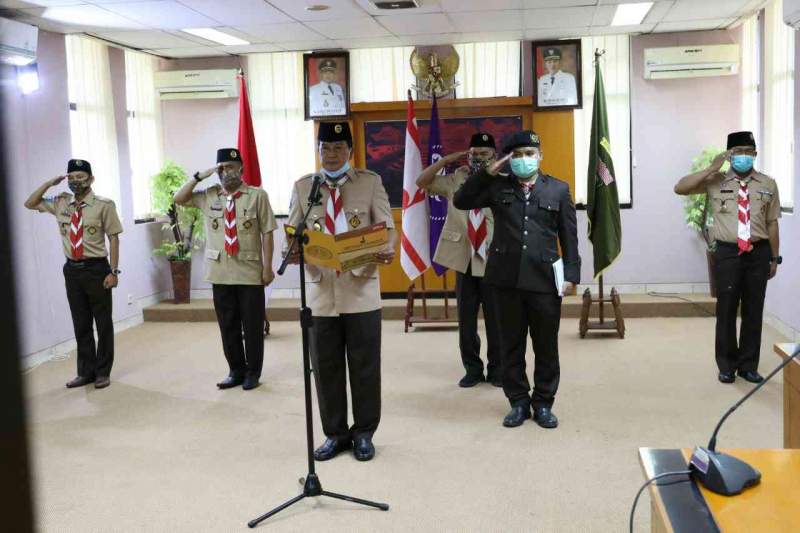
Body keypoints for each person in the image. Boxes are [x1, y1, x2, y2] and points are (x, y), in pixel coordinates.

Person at [454, 130, 580, 429]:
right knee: (510, 345)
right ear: (509, 159)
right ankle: (519, 402)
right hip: (504, 279)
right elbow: (462, 200)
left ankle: (544, 403)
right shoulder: (497, 185)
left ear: (540, 156)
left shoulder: (558, 189)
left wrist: (572, 275)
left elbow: (569, 236)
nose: (524, 159)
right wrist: (488, 172)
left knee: (546, 346)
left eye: (529, 154)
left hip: (544, 280)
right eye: (518, 155)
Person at [286, 121, 396, 462]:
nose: (331, 154)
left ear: (350, 150)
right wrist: (292, 249)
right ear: (318, 150)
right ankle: (335, 434)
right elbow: (293, 231)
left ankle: (364, 433)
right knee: (325, 368)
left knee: (365, 367)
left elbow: (387, 228)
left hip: (361, 288)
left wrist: (387, 248)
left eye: (338, 148)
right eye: (325, 148)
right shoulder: (304, 187)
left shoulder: (369, 182)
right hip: (321, 293)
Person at [674, 131, 781, 384]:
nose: (744, 156)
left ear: (755, 154)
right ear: (729, 155)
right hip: (727, 252)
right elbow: (680, 188)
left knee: (754, 310)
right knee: (726, 309)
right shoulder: (715, 180)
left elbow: (772, 223)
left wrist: (774, 258)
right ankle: (727, 365)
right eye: (738, 151)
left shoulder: (768, 184)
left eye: (749, 152)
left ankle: (748, 366)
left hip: (758, 252)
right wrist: (712, 167)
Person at [174, 148, 277, 390]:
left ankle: (253, 373)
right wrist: (200, 176)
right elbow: (179, 198)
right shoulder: (209, 196)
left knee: (252, 326)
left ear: (241, 168)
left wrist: (268, 267)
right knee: (228, 325)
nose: (226, 171)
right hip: (220, 272)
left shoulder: (257, 196)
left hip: (249, 271)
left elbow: (267, 233)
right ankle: (235, 370)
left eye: (231, 166)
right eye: (221, 167)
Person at [24, 159, 122, 389]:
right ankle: (85, 372)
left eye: (80, 176)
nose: (76, 181)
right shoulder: (61, 203)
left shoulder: (104, 205)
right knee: (81, 323)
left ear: (91, 179)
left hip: (97, 269)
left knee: (103, 322)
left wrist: (113, 271)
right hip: (72, 270)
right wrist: (49, 183)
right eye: (72, 177)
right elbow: (30, 203)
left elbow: (114, 238)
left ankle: (102, 372)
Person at [416, 132, 502, 388]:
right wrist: (444, 161)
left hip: (492, 260)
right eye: (474, 153)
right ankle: (472, 370)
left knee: (496, 321)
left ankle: (497, 369)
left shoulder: (502, 182)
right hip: (463, 258)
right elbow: (421, 182)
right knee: (466, 322)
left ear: (495, 156)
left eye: (485, 154)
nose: (479, 158)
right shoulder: (455, 180)